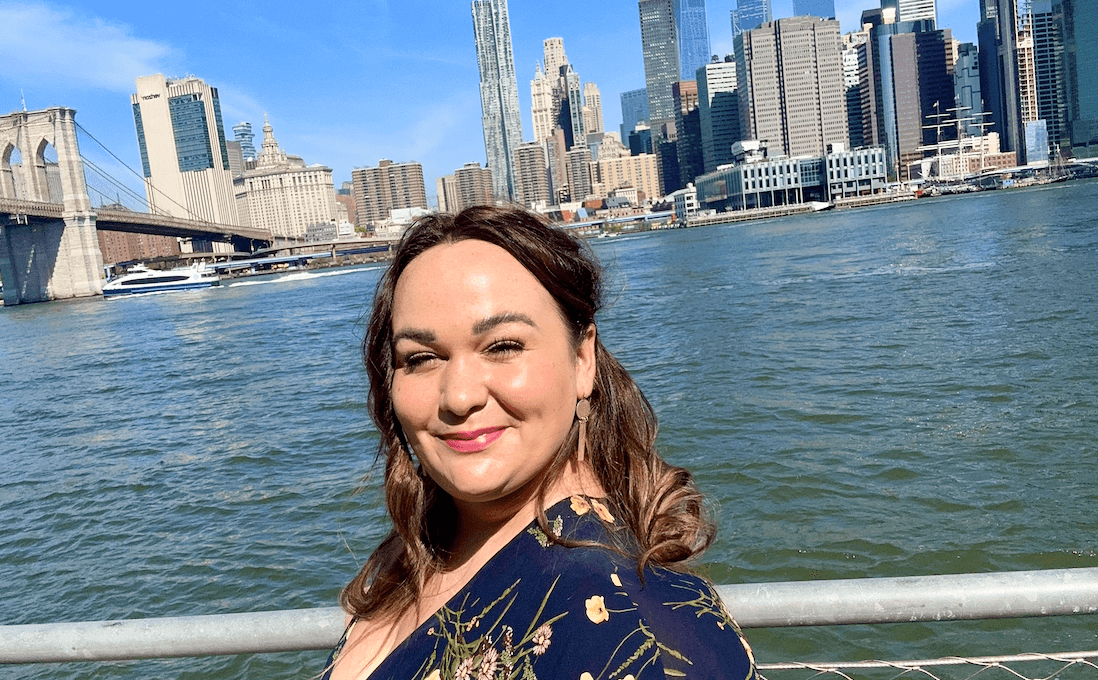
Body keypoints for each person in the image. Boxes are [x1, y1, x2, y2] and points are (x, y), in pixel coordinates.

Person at [323, 205, 758, 680]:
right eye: (422, 358)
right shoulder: (422, 551)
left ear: (582, 358)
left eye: (503, 346)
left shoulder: (630, 635)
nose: (460, 396)